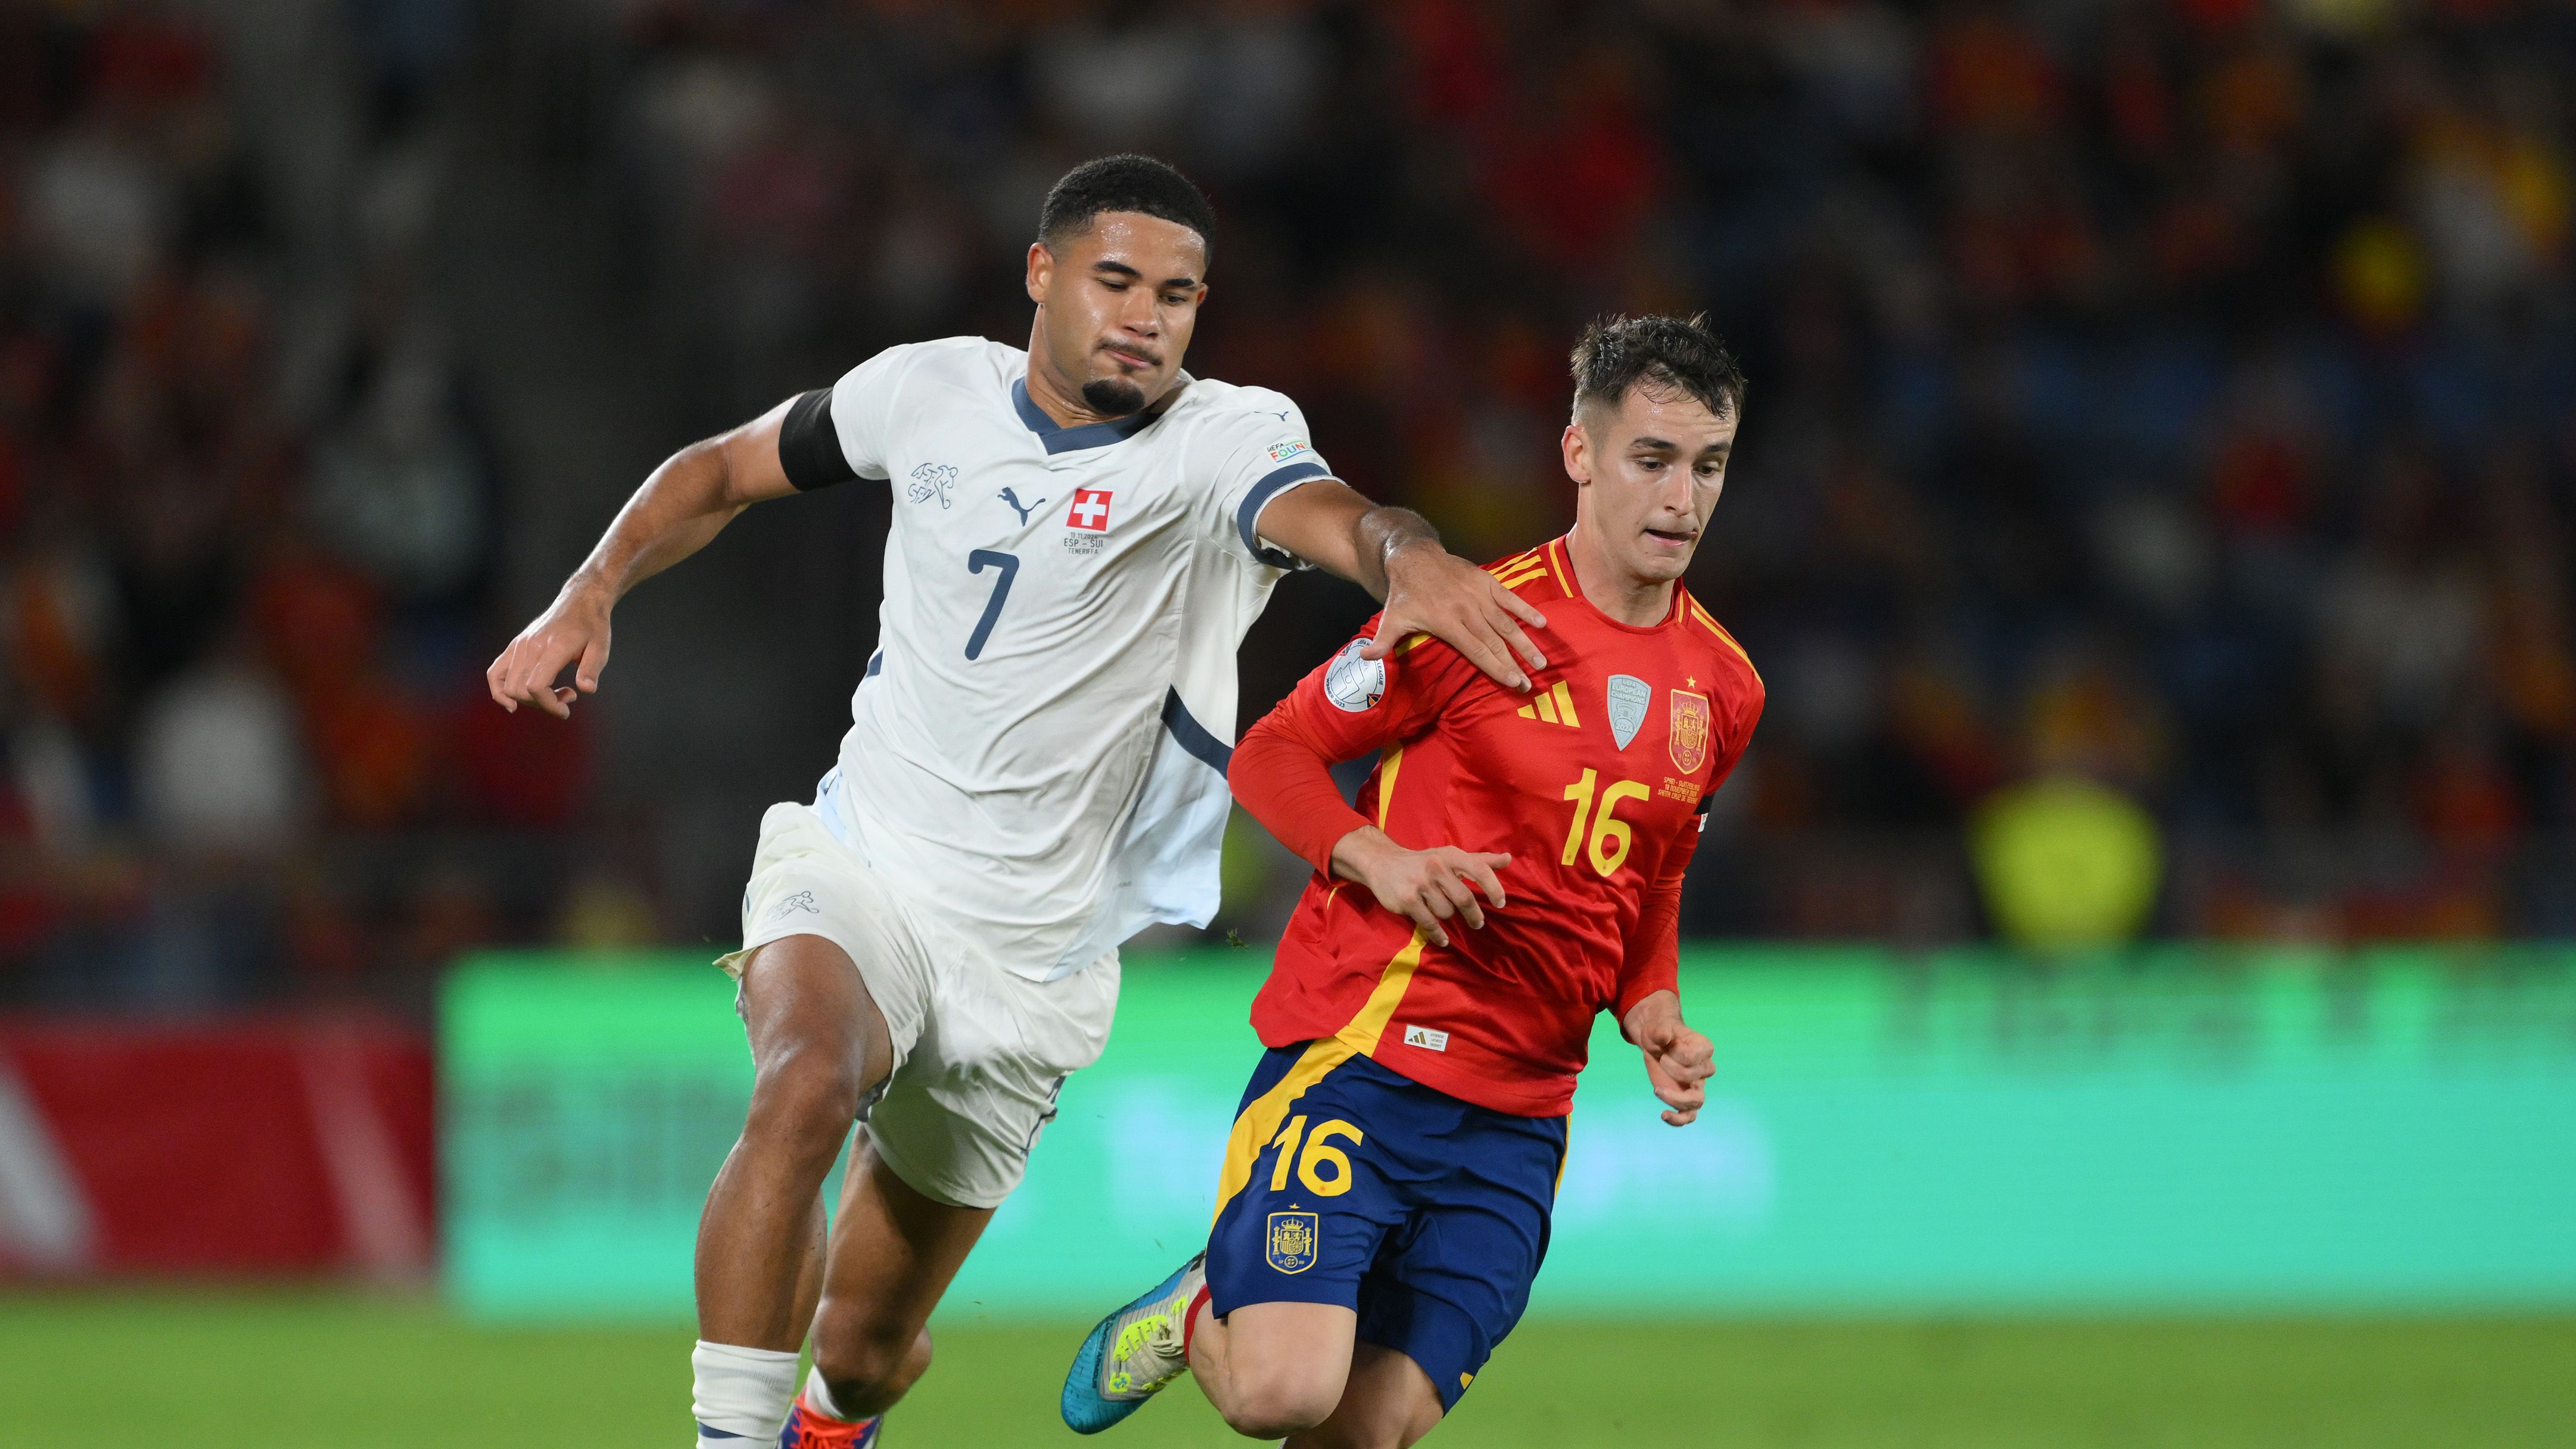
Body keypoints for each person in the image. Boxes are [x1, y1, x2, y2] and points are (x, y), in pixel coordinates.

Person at [484, 154, 1551, 1449]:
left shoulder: (1222, 436)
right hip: (865, 857)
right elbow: (717, 471)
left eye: (1177, 294)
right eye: (1115, 280)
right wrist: (588, 588)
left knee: (868, 1347)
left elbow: (1327, 513)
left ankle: (835, 1418)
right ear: (1039, 276)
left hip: (1036, 953)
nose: (1145, 316)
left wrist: (1406, 555)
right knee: (803, 1079)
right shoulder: (926, 389)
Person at [1062, 314, 1763, 1448]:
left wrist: (1652, 1006)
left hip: (1523, 1116)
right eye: (1653, 459)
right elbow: (1273, 755)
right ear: (1580, 454)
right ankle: (1198, 1306)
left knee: (1366, 1429)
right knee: (1280, 1395)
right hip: (1367, 1060)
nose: (1682, 498)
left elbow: (1653, 873)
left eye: (1709, 466)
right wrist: (1377, 857)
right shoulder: (1467, 615)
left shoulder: (1726, 688)